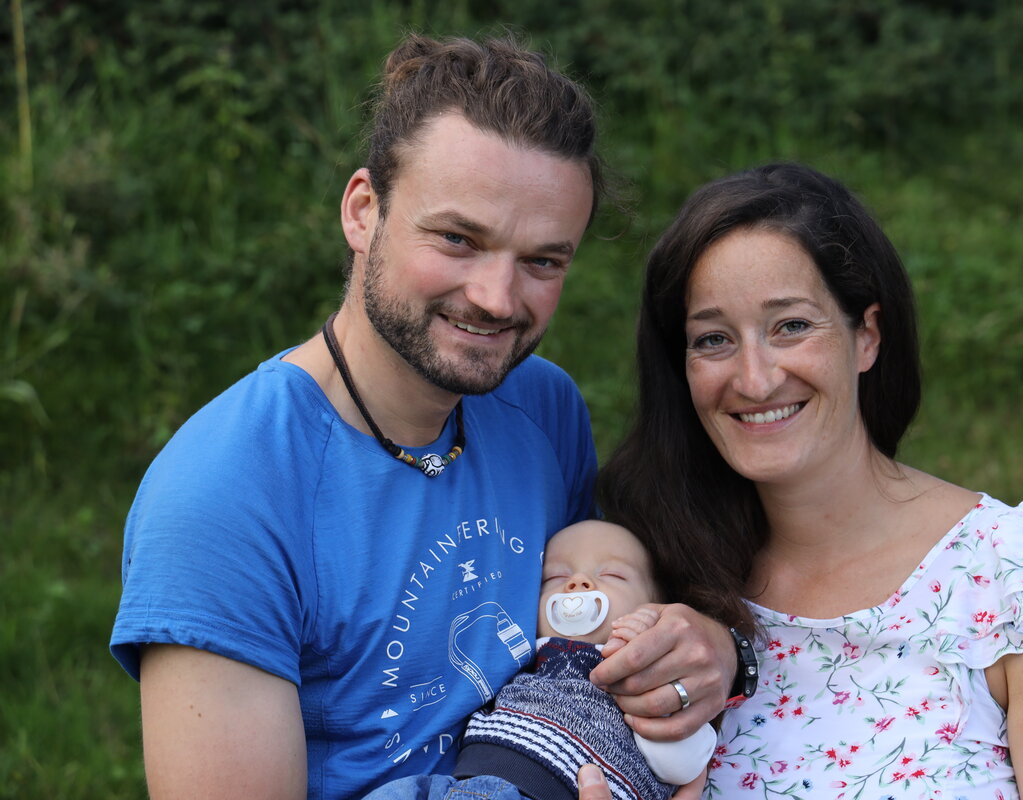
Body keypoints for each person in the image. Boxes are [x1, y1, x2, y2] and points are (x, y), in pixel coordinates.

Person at [110, 34, 736, 800]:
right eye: (458, 239)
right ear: (362, 211)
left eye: (542, 260)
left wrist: (710, 647)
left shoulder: (541, 406)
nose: (497, 299)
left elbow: (593, 619)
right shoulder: (223, 496)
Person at [597, 162, 1023, 799]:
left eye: (791, 326)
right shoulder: (648, 582)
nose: (755, 379)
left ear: (867, 336)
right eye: (714, 339)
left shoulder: (1020, 579)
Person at [363, 519, 717, 800]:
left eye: (612, 575)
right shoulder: (520, 652)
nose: (578, 582)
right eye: (556, 577)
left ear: (657, 605)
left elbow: (680, 764)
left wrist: (646, 646)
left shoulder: (652, 675)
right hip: (454, 783)